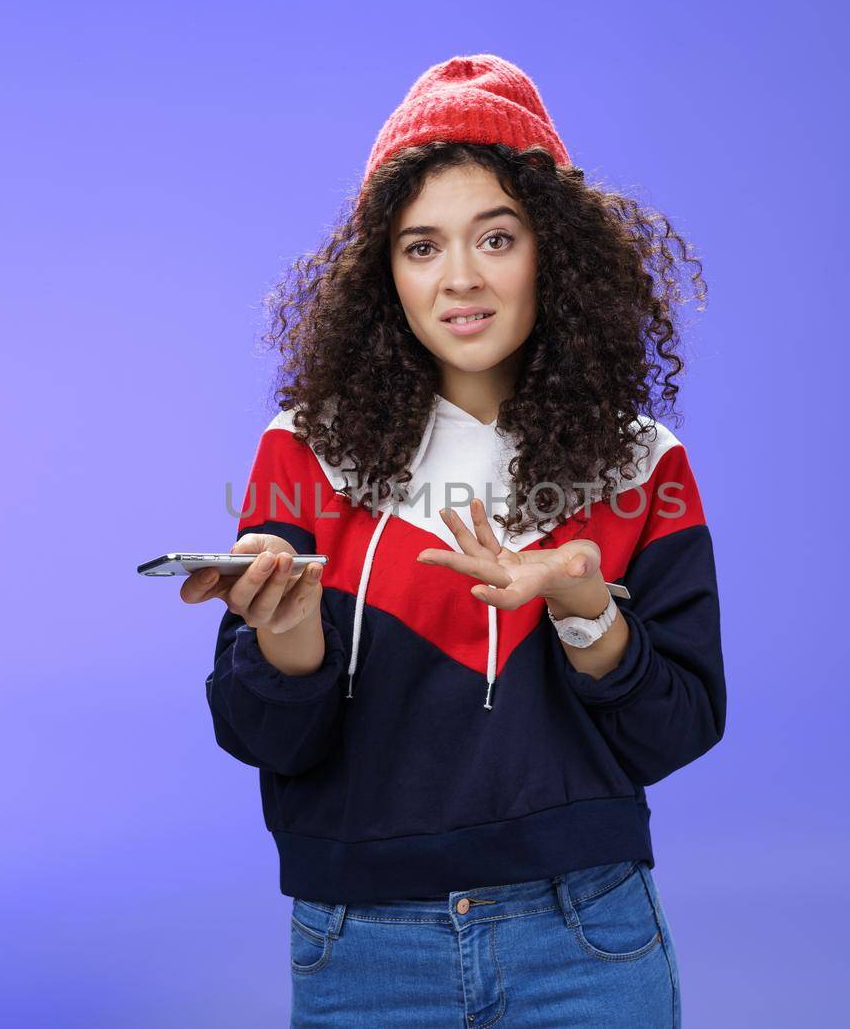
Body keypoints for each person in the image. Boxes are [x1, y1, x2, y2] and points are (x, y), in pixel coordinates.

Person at [179, 53, 724, 1028]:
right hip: (362, 948)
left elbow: (678, 725)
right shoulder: (301, 450)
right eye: (421, 245)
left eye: (497, 237)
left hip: (586, 938)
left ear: (555, 252)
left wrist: (584, 608)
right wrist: (289, 631)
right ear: (383, 273)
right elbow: (256, 731)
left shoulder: (645, 464)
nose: (460, 278)